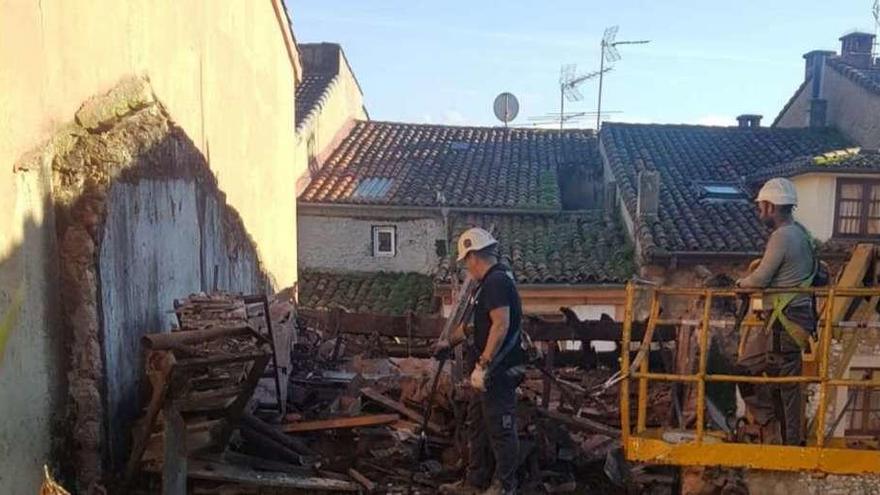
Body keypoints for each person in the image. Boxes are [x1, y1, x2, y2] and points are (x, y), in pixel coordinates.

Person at [434, 227, 524, 495]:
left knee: (500, 428)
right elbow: (474, 327)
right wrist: (447, 342)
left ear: (474, 256)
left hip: (497, 370)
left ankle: (504, 486)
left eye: (466, 261)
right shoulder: (484, 286)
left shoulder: (497, 282)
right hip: (484, 372)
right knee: (479, 426)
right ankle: (475, 482)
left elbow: (501, 324)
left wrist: (483, 364)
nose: (466, 268)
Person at [736, 177, 817, 445]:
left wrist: (740, 283)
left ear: (771, 207)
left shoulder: (782, 236)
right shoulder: (801, 233)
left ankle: (786, 438)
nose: (760, 212)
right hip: (790, 318)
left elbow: (760, 279)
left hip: (786, 320)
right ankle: (778, 429)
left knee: (780, 382)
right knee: (767, 375)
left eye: (761, 207)